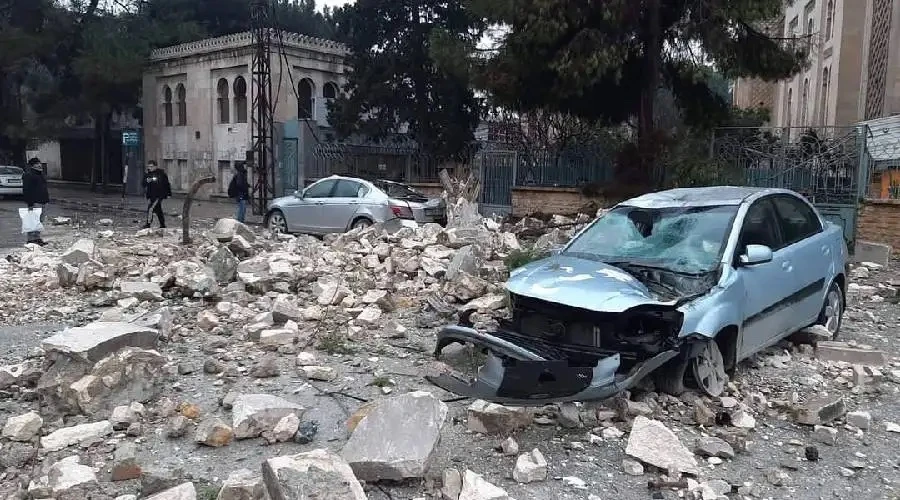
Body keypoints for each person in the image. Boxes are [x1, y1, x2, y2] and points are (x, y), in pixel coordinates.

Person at [22, 157, 49, 245]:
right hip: (35, 202)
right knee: (32, 221)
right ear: (32, 166)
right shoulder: (28, 175)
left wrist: (46, 200)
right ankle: (30, 240)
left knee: (39, 222)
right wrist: (30, 202)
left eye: (39, 163)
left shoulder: (40, 174)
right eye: (36, 163)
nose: (39, 165)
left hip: (43, 201)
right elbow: (26, 189)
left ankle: (37, 238)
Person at [142, 160, 172, 228]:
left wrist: (169, 194)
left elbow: (166, 184)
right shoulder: (147, 174)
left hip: (159, 195)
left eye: (151, 166)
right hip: (151, 195)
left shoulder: (161, 174)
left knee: (151, 208)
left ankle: (148, 224)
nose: (150, 168)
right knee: (158, 210)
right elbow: (143, 184)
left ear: (155, 166)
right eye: (149, 166)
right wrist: (147, 181)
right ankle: (162, 224)